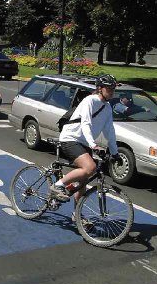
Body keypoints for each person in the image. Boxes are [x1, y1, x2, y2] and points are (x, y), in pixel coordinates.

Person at [49, 74, 121, 220]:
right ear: (100, 89)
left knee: (83, 182)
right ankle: (58, 185)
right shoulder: (90, 100)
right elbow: (86, 123)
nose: (112, 91)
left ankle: (77, 215)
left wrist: (115, 153)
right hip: (71, 139)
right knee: (90, 168)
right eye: (109, 88)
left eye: (113, 89)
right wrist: (93, 144)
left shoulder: (107, 108)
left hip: (84, 143)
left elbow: (110, 132)